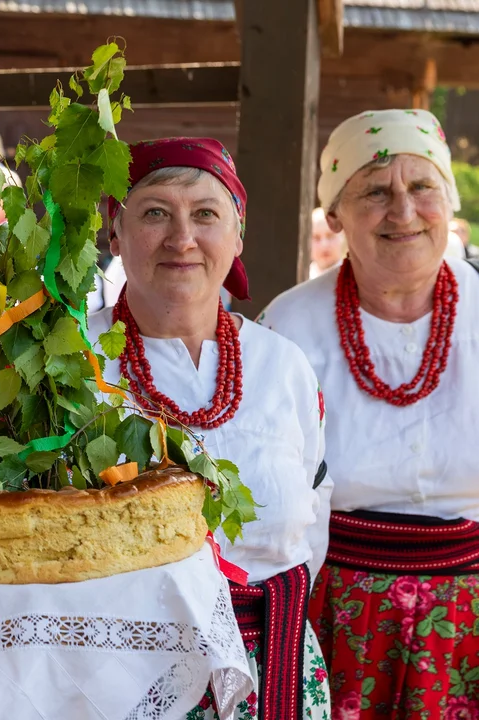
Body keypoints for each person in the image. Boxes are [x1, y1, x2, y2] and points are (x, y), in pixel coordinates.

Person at [92, 137, 332, 720]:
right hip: (117, 676)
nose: (182, 239)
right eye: (154, 213)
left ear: (237, 235)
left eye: (206, 214)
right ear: (114, 233)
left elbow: (316, 500)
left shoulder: (282, 364)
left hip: (274, 665)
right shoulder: (74, 361)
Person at [261, 109, 479, 718]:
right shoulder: (288, 327)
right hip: (334, 616)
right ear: (335, 214)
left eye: (422, 188)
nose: (403, 211)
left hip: (470, 617)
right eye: (375, 192)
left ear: (448, 198)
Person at [309, 206, 346, 279]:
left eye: (330, 236)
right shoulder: (302, 279)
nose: (324, 245)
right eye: (316, 238)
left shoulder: (352, 277)